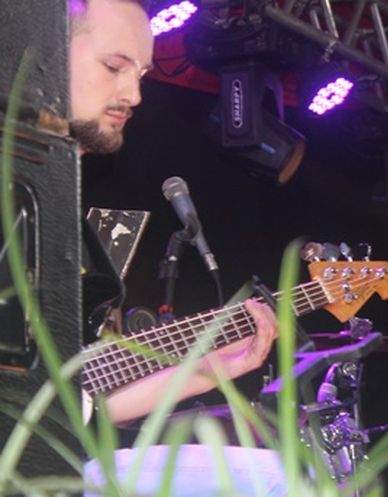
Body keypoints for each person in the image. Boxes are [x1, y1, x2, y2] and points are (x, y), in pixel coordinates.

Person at [65, 1, 288, 495]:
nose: (134, 94)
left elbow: (81, 406)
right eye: (114, 66)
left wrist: (213, 369)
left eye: (142, 74)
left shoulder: (57, 210)